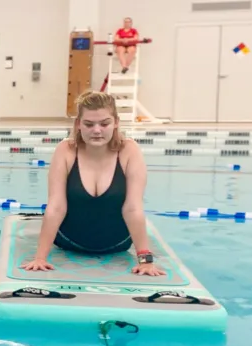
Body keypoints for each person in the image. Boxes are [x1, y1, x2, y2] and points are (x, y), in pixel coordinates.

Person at [21, 91, 165, 276]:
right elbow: (56, 206)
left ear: (116, 123)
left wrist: (145, 260)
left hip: (118, 244)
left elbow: (133, 208)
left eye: (104, 123)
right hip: (69, 242)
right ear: (78, 124)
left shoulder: (129, 151)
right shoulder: (66, 150)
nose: (97, 130)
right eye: (89, 124)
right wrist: (40, 258)